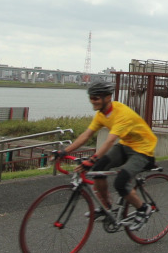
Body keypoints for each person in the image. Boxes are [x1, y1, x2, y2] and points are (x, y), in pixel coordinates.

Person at [58, 81, 157, 230]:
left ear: (108, 97)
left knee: (120, 182)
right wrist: (65, 151)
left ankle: (143, 209)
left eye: (96, 98)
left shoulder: (121, 114)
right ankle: (107, 207)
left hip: (143, 149)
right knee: (98, 170)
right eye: (91, 97)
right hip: (126, 145)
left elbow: (110, 140)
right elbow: (86, 135)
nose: (93, 101)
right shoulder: (101, 115)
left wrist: (92, 159)